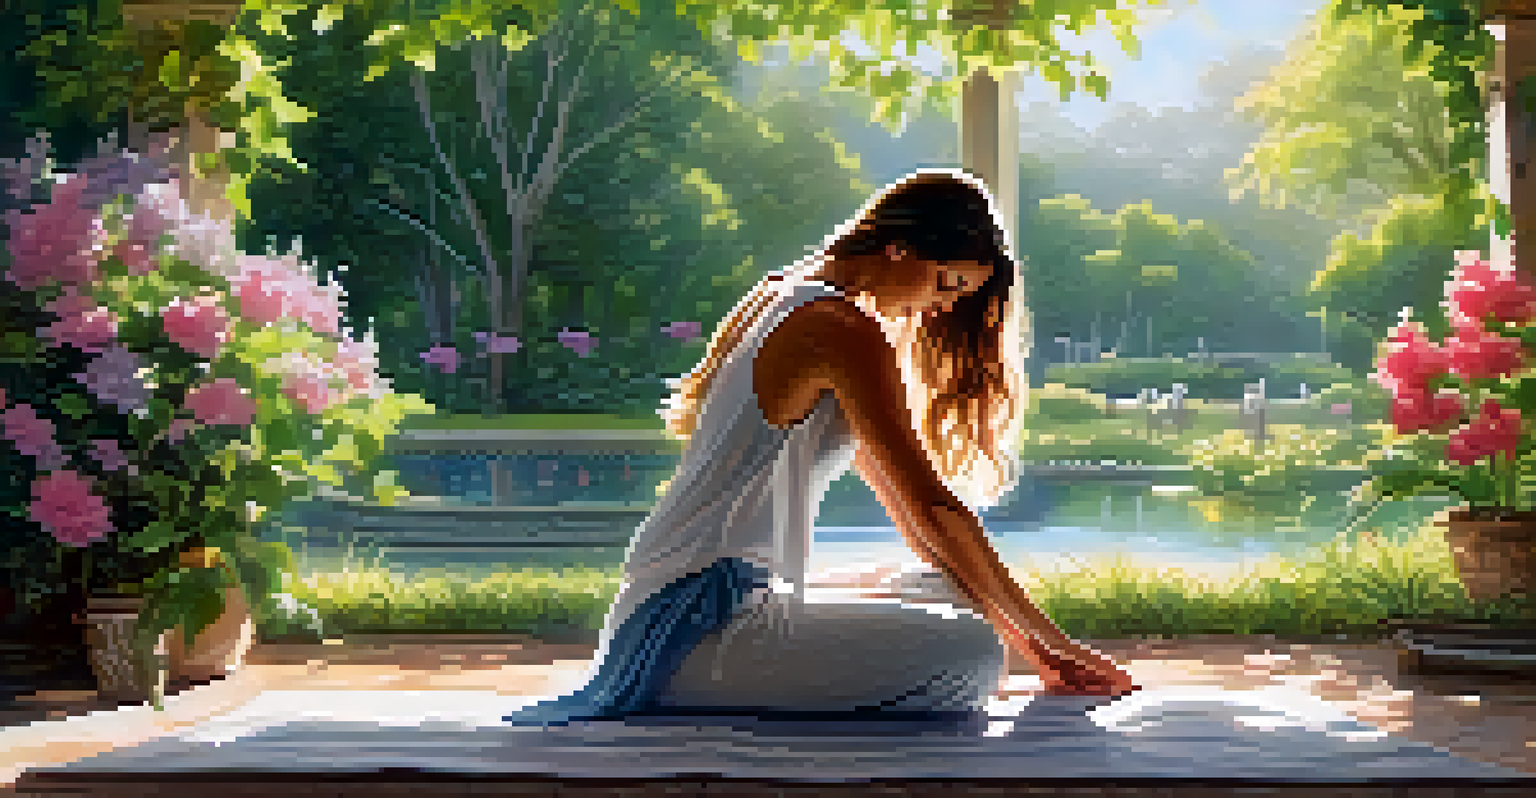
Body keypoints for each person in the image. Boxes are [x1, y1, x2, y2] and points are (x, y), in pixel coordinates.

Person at [505, 169, 1138, 728]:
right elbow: (934, 505)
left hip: (698, 599)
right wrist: (1056, 643)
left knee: (943, 587)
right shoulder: (837, 329)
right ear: (899, 250)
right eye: (945, 284)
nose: (940, 309)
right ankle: (686, 686)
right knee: (970, 655)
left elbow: (916, 523)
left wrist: (1033, 647)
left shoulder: (792, 295)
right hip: (696, 619)